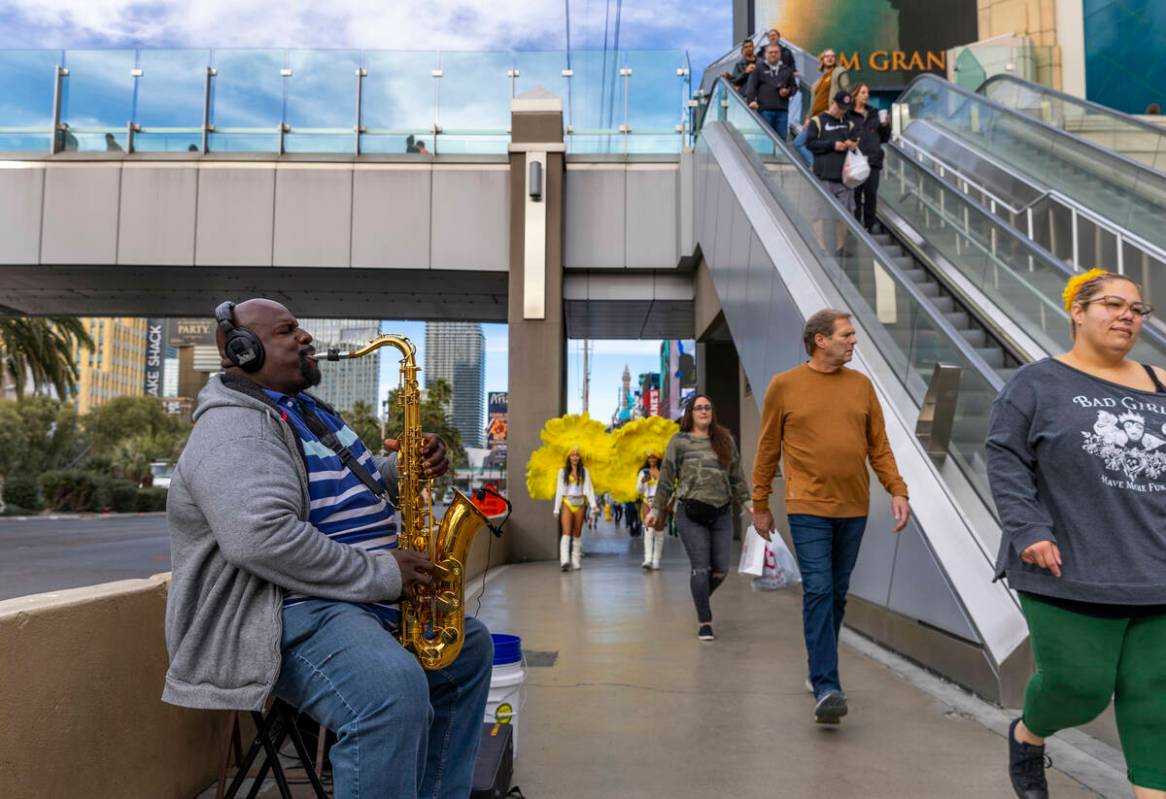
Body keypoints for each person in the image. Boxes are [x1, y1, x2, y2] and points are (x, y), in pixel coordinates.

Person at [162, 299, 492, 799]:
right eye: (287, 331)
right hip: (287, 610)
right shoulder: (235, 429)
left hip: (349, 599)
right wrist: (383, 572)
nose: (305, 338)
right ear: (244, 351)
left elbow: (341, 484)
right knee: (390, 693)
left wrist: (403, 466)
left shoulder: (306, 412)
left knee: (468, 652)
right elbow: (262, 538)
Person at [986, 269, 1166, 799]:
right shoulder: (1037, 383)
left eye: (1137, 309)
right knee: (1079, 689)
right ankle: (1028, 735)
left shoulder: (1161, 383)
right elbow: (1005, 457)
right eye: (1112, 304)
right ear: (1077, 312)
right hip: (1066, 564)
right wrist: (1027, 529)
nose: (1127, 315)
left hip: (1155, 567)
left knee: (1155, 699)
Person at [752, 309, 910, 724]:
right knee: (820, 590)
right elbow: (767, 449)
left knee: (837, 594)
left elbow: (880, 446)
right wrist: (760, 503)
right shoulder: (784, 386)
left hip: (853, 507)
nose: (854, 341)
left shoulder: (861, 387)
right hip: (807, 507)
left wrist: (897, 489)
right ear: (820, 340)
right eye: (847, 334)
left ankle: (817, 665)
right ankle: (827, 685)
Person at [646, 395, 749, 641]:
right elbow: (667, 480)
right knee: (701, 569)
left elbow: (736, 474)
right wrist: (656, 510)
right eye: (698, 408)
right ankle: (705, 620)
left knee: (721, 570)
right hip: (690, 512)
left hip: (722, 511)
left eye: (707, 408)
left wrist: (747, 501)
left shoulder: (725, 440)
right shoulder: (679, 442)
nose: (704, 411)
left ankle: (699, 593)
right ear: (690, 413)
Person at [806, 90, 859, 252]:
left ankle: (840, 246)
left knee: (843, 214)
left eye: (845, 108)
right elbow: (810, 144)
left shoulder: (848, 123)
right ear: (833, 103)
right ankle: (820, 246)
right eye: (840, 107)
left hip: (844, 177)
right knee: (819, 213)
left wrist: (852, 145)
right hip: (823, 175)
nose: (842, 111)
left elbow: (856, 144)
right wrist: (832, 145)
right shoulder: (818, 121)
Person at [793, 49, 850, 165]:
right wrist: (808, 118)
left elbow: (846, 90)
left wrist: (840, 110)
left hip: (828, 118)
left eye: (833, 56)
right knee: (798, 143)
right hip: (815, 119)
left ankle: (816, 167)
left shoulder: (838, 72)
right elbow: (814, 102)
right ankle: (815, 165)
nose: (830, 58)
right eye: (827, 56)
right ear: (822, 60)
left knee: (824, 146)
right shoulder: (818, 81)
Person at [846, 83, 890, 233]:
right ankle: (857, 224)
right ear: (855, 95)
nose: (866, 95)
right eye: (863, 92)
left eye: (867, 93)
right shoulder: (848, 115)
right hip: (855, 160)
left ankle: (869, 225)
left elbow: (885, 138)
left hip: (873, 160)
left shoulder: (875, 113)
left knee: (871, 193)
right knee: (856, 194)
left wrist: (885, 125)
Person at [553, 447, 598, 571]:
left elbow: (589, 489)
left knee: (577, 533)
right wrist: (556, 508)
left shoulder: (585, 471)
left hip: (581, 503)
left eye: (577, 455)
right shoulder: (562, 471)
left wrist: (593, 505)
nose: (575, 457)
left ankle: (576, 560)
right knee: (566, 532)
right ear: (568, 457)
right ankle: (564, 560)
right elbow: (559, 491)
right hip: (567, 502)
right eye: (572, 455)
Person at [745, 42, 799, 140]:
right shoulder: (759, 69)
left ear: (780, 54)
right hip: (764, 110)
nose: (773, 54)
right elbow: (752, 87)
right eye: (770, 52)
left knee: (781, 140)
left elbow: (794, 87)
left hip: (782, 111)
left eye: (776, 52)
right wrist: (751, 101)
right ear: (766, 54)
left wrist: (788, 92)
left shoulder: (787, 70)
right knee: (765, 140)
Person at [637, 453, 665, 570]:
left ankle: (656, 560)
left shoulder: (663, 472)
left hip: (660, 503)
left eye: (654, 457)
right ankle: (648, 559)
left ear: (657, 458)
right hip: (646, 502)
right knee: (648, 530)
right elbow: (638, 490)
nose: (652, 460)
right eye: (649, 457)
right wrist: (642, 482)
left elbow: (668, 487)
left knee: (659, 531)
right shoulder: (643, 472)